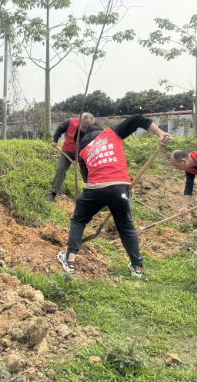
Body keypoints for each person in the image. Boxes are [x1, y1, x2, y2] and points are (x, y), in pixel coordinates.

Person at [56, 115, 171, 278]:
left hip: (95, 188)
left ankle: (70, 261)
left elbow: (86, 178)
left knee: (79, 220)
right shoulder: (112, 132)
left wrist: (101, 197)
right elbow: (138, 119)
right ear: (101, 131)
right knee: (126, 226)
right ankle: (137, 267)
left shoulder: (82, 149)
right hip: (120, 187)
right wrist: (159, 133)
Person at [47, 113, 95, 202]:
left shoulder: (92, 132)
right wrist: (55, 140)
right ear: (79, 121)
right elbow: (60, 129)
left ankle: (90, 193)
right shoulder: (71, 122)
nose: (85, 130)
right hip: (67, 151)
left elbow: (88, 148)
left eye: (87, 128)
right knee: (61, 169)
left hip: (81, 154)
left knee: (85, 172)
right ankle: (53, 192)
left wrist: (79, 161)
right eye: (83, 127)